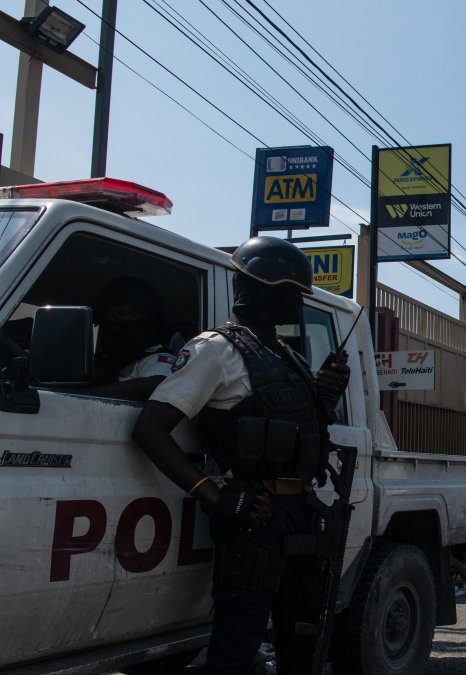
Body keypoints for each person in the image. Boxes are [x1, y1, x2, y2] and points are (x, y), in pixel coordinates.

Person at [132, 236, 351, 674]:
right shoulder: (216, 349)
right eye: (291, 292)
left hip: (302, 514)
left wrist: (324, 395)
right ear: (257, 288)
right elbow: (150, 429)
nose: (297, 304)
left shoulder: (286, 355)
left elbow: (291, 430)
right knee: (237, 645)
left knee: (304, 642)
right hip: (255, 516)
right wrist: (214, 497)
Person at [88, 276, 178, 399]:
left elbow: (158, 384)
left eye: (133, 313)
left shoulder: (157, 358)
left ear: (151, 319)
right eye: (112, 314)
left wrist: (84, 395)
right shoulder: (95, 360)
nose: (122, 319)